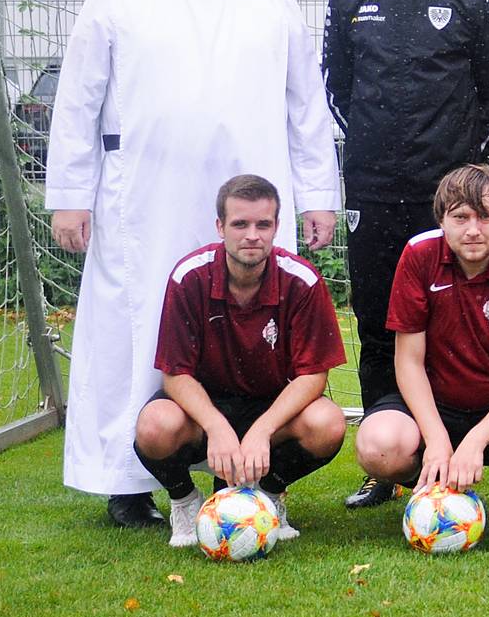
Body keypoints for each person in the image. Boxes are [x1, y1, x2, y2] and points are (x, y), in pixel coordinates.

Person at [46, 0, 340, 529]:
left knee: (258, 338)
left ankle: (260, 475)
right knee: (136, 333)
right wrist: (69, 194)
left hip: (251, 203)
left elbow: (306, 108)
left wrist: (318, 196)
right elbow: (78, 100)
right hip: (143, 203)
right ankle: (128, 482)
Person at [324, 0, 489, 511]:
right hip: (374, 193)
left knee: (458, 324)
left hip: (448, 204)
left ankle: (468, 444)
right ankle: (389, 462)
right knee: (379, 320)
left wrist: (459, 176)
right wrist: (379, 151)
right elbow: (335, 90)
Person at [353, 164, 489, 539]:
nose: (473, 229)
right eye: (460, 217)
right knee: (377, 445)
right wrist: (436, 438)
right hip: (432, 408)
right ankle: (433, 485)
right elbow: (408, 362)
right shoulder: (419, 254)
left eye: (485, 216)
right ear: (442, 219)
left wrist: (476, 440)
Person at [134, 174, 349, 548]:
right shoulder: (189, 277)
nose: (252, 235)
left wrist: (262, 430)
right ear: (220, 227)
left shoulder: (303, 281)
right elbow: (175, 374)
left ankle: (268, 493)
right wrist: (216, 425)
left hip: (272, 407)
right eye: (240, 224)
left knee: (326, 423)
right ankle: (184, 500)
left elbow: (313, 376)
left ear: (276, 227)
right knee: (155, 426)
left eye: (263, 224)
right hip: (203, 409)